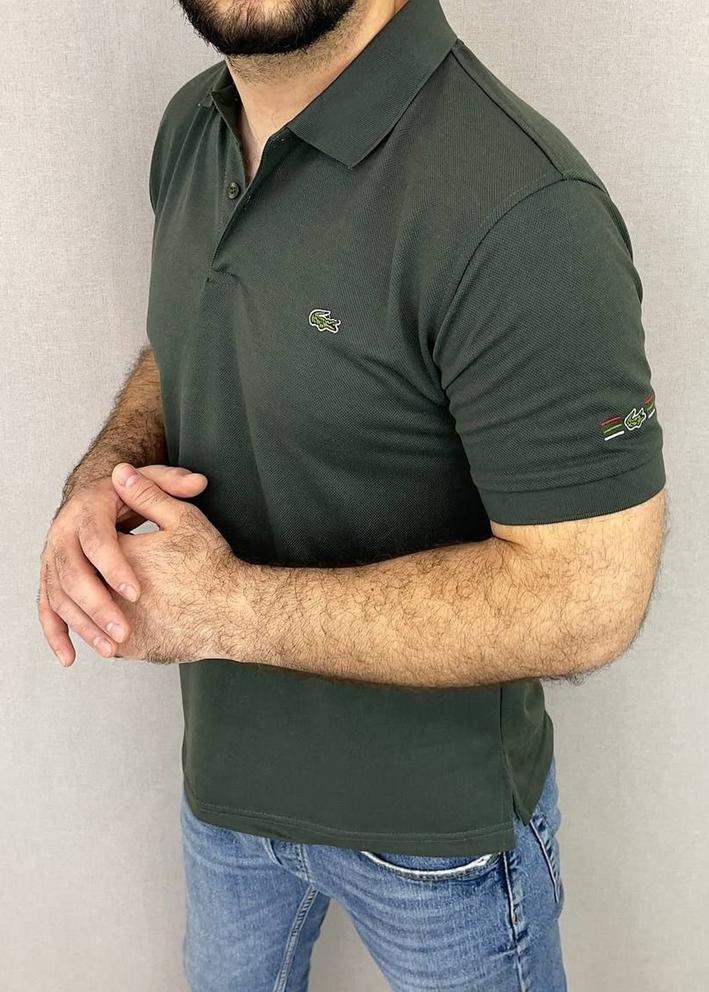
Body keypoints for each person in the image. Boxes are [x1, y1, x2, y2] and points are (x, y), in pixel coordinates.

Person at [38, 0, 667, 988]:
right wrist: (99, 480)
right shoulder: (191, 126)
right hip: (226, 795)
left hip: (438, 842)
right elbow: (192, 336)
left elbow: (589, 597)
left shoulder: (524, 208)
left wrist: (226, 609)